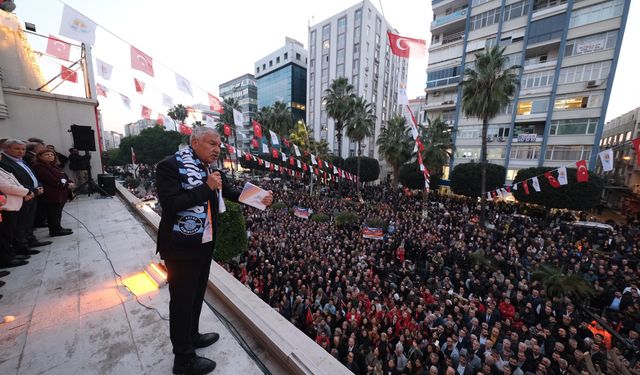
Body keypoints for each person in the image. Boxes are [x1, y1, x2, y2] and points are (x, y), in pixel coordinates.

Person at [155, 127, 273, 375]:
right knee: (181, 303)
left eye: (219, 145)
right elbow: (170, 204)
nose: (217, 149)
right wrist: (205, 188)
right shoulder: (170, 166)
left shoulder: (211, 170)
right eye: (211, 144)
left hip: (204, 244)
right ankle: (183, 360)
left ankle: (193, 336)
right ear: (195, 142)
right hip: (180, 248)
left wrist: (260, 198)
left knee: (197, 296)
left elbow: (229, 191)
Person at [0, 139, 51, 255]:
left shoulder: (20, 160)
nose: (20, 151)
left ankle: (30, 240)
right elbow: (13, 182)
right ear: (6, 149)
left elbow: (31, 175)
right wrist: (31, 190)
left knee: (29, 220)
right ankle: (21, 246)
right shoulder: (4, 162)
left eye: (23, 149)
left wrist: (38, 186)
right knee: (20, 223)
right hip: (21, 196)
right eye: (16, 149)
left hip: (32, 193)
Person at [31, 149, 74, 236]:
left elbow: (63, 176)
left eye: (52, 154)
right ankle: (55, 230)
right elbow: (52, 180)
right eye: (47, 154)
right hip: (51, 194)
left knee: (57, 212)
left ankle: (58, 228)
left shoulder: (53, 165)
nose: (50, 156)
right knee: (53, 213)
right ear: (40, 156)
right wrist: (66, 184)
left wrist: (69, 181)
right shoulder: (39, 166)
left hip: (59, 193)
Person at [0, 164, 32, 269]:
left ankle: (10, 255)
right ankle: (6, 259)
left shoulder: (2, 168)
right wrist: (26, 191)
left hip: (13, 205)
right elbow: (6, 187)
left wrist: (25, 192)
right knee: (5, 235)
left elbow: (15, 183)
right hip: (5, 206)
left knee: (9, 234)